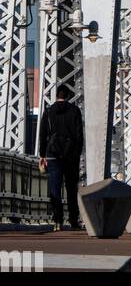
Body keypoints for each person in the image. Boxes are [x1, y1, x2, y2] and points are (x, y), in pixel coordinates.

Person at [39, 85, 84, 231]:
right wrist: (77, 153)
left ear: (56, 95)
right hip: (71, 156)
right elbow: (79, 135)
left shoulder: (48, 111)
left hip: (53, 155)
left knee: (54, 188)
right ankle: (73, 220)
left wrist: (42, 154)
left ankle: (57, 220)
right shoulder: (75, 111)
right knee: (71, 189)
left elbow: (43, 134)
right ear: (68, 96)